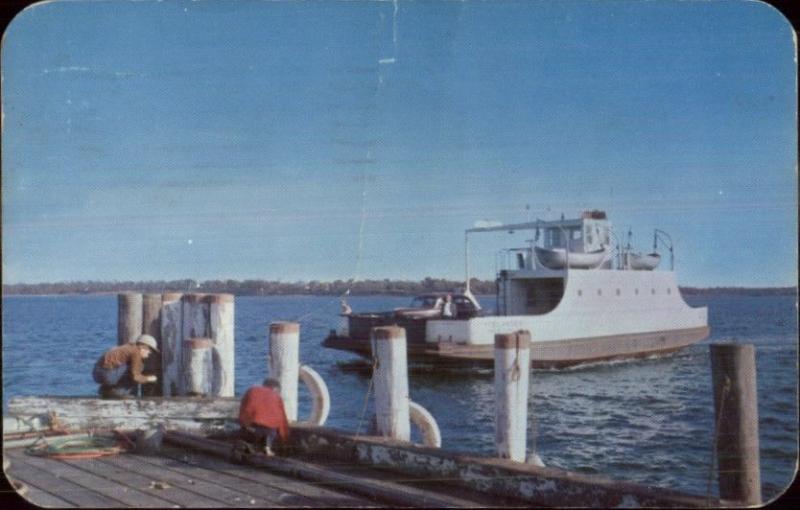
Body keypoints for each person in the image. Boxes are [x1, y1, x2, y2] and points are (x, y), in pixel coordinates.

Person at [93, 334, 159, 399]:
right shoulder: (136, 352)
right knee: (137, 369)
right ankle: (119, 393)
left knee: (135, 367)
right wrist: (149, 379)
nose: (150, 353)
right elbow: (136, 377)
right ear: (143, 347)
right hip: (107, 374)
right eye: (150, 350)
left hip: (98, 372)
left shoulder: (128, 347)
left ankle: (106, 390)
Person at [238, 378, 290, 456]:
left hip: (252, 427)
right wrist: (284, 439)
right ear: (275, 389)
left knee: (250, 432)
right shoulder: (277, 397)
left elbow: (244, 409)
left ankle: (254, 444)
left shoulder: (252, 390)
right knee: (271, 432)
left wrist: (243, 424)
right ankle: (267, 447)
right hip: (270, 430)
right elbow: (282, 420)